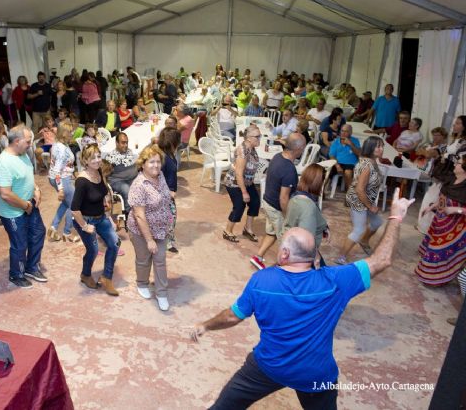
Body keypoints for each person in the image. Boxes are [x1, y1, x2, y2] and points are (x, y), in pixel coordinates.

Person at [190, 190, 415, 409]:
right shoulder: (336, 281)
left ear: (285, 254)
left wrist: (205, 325)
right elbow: (382, 259)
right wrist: (395, 216)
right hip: (316, 374)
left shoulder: (261, 281)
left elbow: (231, 316)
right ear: (314, 255)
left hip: (269, 366)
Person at [0, 125, 47, 288]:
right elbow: (5, 194)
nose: (31, 144)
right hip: (13, 212)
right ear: (17, 141)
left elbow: (27, 177)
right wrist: (25, 205)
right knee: (20, 243)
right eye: (28, 141)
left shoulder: (22, 154)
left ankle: (31, 267)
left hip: (29, 205)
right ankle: (16, 274)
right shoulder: (3, 162)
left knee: (38, 232)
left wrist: (36, 189)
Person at [250, 133, 306, 270]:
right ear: (298, 149)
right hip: (276, 208)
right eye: (303, 146)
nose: (304, 149)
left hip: (268, 202)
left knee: (272, 233)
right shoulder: (289, 170)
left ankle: (258, 257)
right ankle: (283, 269)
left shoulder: (277, 157)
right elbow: (283, 198)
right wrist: (289, 217)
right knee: (286, 241)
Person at [128, 144, 174, 310]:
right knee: (144, 260)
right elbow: (139, 216)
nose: (156, 165)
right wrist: (149, 240)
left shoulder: (160, 175)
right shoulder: (139, 185)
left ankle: (162, 294)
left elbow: (166, 194)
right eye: (151, 162)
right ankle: (142, 283)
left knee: (160, 260)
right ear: (142, 164)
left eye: (158, 161)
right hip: (141, 231)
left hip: (161, 229)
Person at [71, 144, 120, 296]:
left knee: (115, 243)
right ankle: (85, 275)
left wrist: (106, 207)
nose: (98, 160)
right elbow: (74, 209)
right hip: (85, 220)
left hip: (101, 217)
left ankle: (107, 277)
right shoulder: (82, 181)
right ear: (85, 161)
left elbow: (101, 191)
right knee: (93, 250)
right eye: (93, 158)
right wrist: (85, 226)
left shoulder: (98, 171)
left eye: (99, 156)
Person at [416, 153, 466, 291]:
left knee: (442, 250)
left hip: (454, 227)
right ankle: (430, 276)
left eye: (459, 163)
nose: (455, 164)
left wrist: (456, 210)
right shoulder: (452, 179)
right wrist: (431, 207)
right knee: (434, 246)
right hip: (440, 220)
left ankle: (437, 279)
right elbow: (443, 197)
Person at [337, 136, 385, 264]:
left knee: (377, 222)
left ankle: (364, 241)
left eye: (382, 146)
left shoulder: (372, 161)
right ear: (370, 148)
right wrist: (370, 206)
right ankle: (341, 256)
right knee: (358, 230)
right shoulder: (367, 165)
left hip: (366, 200)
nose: (381, 149)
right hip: (359, 200)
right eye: (378, 146)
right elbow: (359, 190)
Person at [283, 164, 329, 266]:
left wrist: (324, 228)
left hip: (291, 246)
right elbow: (307, 239)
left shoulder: (296, 196)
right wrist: (316, 257)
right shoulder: (308, 207)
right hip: (305, 255)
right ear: (318, 183)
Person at [223, 126, 261, 243]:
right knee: (239, 206)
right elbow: (239, 174)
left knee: (255, 203)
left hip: (247, 182)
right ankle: (227, 231)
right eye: (257, 136)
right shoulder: (243, 151)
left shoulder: (251, 147)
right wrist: (244, 192)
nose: (260, 138)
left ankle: (247, 229)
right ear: (249, 138)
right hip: (235, 183)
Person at [48, 123, 78, 242]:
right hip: (61, 178)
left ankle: (53, 227)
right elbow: (57, 171)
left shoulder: (59, 144)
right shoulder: (61, 149)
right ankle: (67, 232)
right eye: (70, 131)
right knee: (74, 205)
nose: (72, 133)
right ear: (64, 133)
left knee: (66, 204)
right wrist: (60, 189)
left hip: (59, 177)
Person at [157, 127, 180, 253]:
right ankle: (167, 242)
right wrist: (169, 191)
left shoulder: (168, 154)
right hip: (164, 194)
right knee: (171, 217)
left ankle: (166, 240)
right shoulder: (163, 158)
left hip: (167, 192)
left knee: (169, 217)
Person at [104, 132, 138, 212]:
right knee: (126, 189)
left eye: (127, 142)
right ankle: (128, 212)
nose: (125, 145)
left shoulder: (129, 151)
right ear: (116, 143)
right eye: (123, 143)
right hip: (118, 181)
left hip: (132, 178)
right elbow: (105, 172)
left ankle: (142, 209)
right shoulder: (111, 157)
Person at [329, 123, 361, 190]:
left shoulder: (355, 140)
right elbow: (331, 155)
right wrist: (337, 166)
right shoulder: (336, 141)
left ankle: (349, 194)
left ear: (350, 133)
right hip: (337, 163)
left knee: (348, 173)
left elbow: (359, 153)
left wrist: (351, 144)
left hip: (350, 164)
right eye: (342, 131)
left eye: (346, 131)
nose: (343, 133)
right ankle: (320, 192)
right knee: (326, 172)